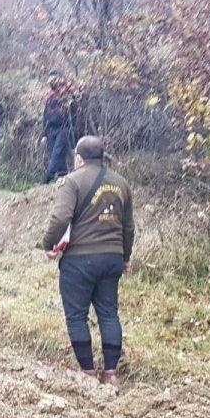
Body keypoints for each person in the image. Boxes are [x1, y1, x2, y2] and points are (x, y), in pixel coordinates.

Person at [41, 136, 135, 385]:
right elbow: (128, 227)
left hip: (79, 260)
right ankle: (111, 373)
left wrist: (48, 244)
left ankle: (87, 372)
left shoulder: (71, 181)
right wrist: (125, 257)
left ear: (79, 158)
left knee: (76, 316)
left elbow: (61, 217)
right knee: (109, 314)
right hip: (112, 258)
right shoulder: (121, 183)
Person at [42, 69, 77, 184]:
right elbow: (45, 116)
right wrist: (44, 134)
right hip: (51, 130)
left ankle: (46, 180)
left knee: (56, 155)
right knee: (54, 156)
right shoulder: (49, 97)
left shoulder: (68, 94)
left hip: (64, 129)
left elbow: (74, 114)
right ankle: (63, 179)